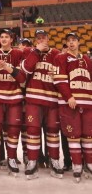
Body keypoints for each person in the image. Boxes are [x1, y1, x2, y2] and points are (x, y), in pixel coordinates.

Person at [21, 29, 64, 180]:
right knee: (32, 131)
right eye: (38, 38)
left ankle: (54, 160)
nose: (41, 40)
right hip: (33, 98)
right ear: (35, 40)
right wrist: (36, 52)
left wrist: (56, 75)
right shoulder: (29, 52)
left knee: (53, 131)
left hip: (52, 100)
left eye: (43, 38)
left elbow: (63, 76)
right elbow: (26, 69)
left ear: (48, 38)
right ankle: (33, 161)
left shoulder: (57, 54)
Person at [0, 29, 26, 176]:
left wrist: (8, 67)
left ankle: (12, 158)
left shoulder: (18, 54)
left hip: (14, 96)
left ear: (12, 39)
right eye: (1, 37)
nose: (4, 39)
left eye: (7, 37)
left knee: (13, 130)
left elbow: (22, 78)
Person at [54, 33, 92, 182]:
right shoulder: (61, 58)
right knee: (74, 135)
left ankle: (89, 163)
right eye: (68, 41)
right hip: (70, 103)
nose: (71, 43)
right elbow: (59, 80)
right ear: (66, 43)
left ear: (78, 42)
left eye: (74, 40)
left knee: (88, 135)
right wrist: (68, 96)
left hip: (87, 103)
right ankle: (77, 165)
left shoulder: (87, 60)